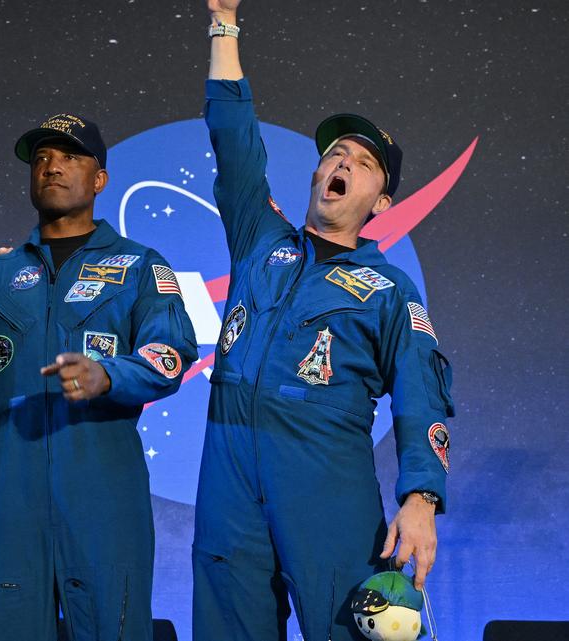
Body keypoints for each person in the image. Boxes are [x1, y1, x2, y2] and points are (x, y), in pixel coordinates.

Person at [191, 2, 455, 640]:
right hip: (230, 485)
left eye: (363, 163)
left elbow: (421, 397)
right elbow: (234, 139)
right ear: (316, 172)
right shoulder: (260, 239)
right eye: (336, 154)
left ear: (381, 201)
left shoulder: (389, 291)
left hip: (327, 487)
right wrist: (223, 22)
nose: (343, 164)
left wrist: (421, 499)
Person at [0, 114, 198, 641]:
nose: (52, 166)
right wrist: (5, 405)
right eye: (42, 158)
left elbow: (172, 352)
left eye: (69, 156)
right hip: (12, 484)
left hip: (102, 480)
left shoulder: (139, 265)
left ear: (100, 179)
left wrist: (107, 376)